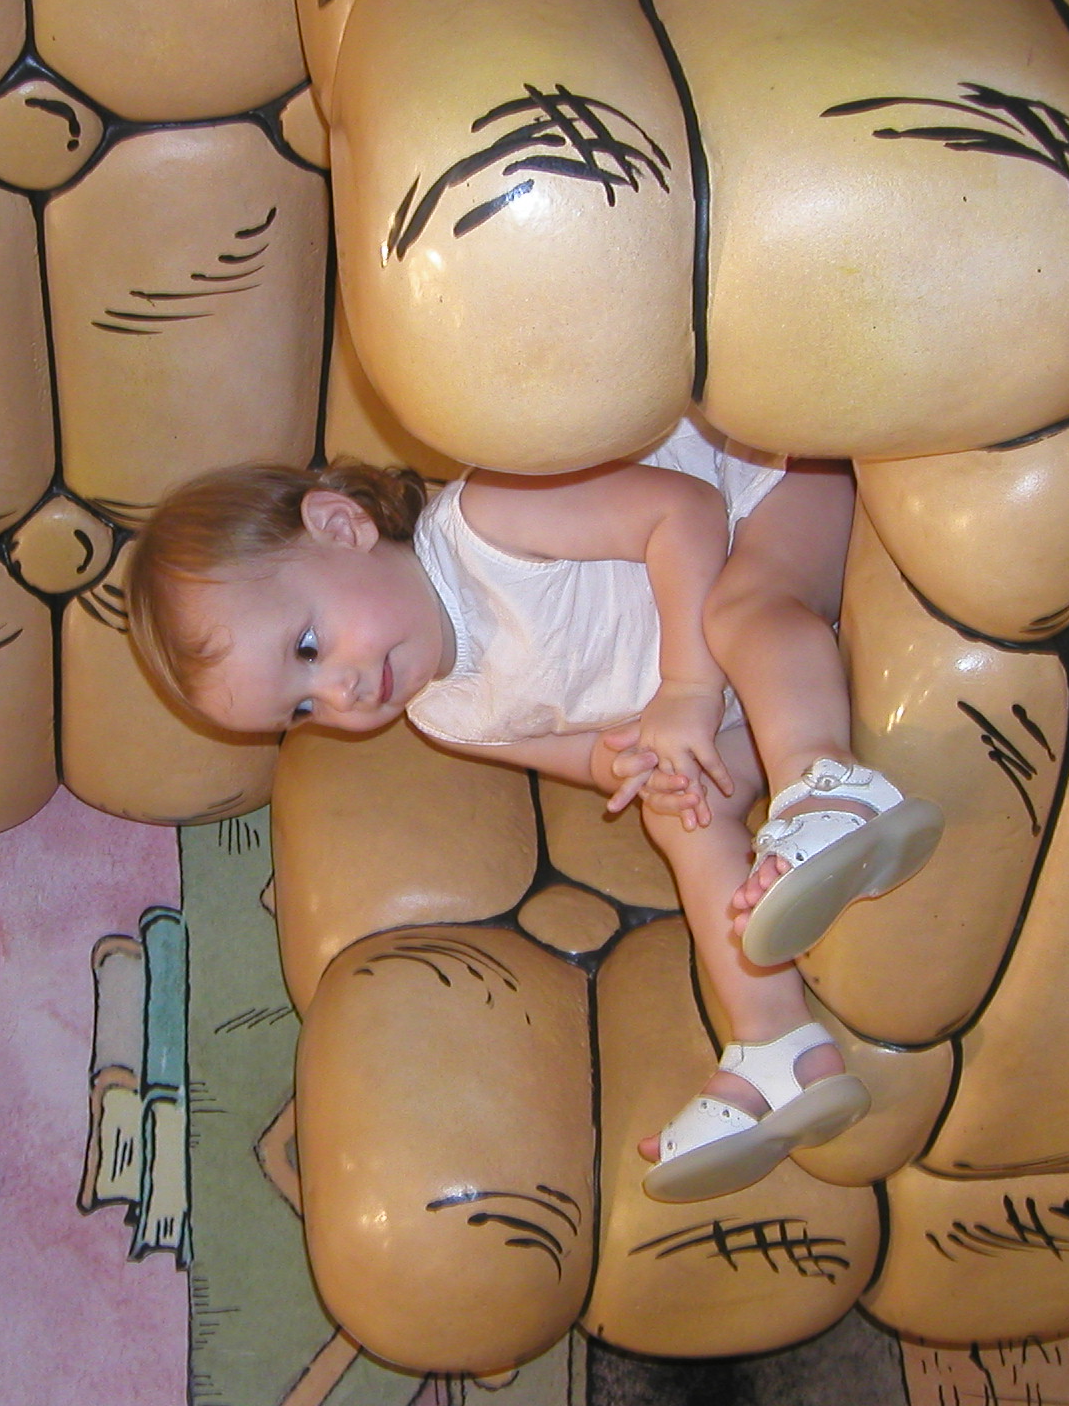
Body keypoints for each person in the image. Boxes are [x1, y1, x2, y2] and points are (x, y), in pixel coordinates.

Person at [124, 417, 941, 1201]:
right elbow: (589, 755)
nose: (340, 693)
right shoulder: (444, 715)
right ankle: (778, 1046)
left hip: (765, 494)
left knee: (740, 614)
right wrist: (636, 764)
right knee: (675, 818)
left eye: (308, 646)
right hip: (725, 699)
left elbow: (684, 513)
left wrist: (688, 686)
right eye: (302, 709)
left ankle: (828, 786)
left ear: (342, 527)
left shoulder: (487, 522)